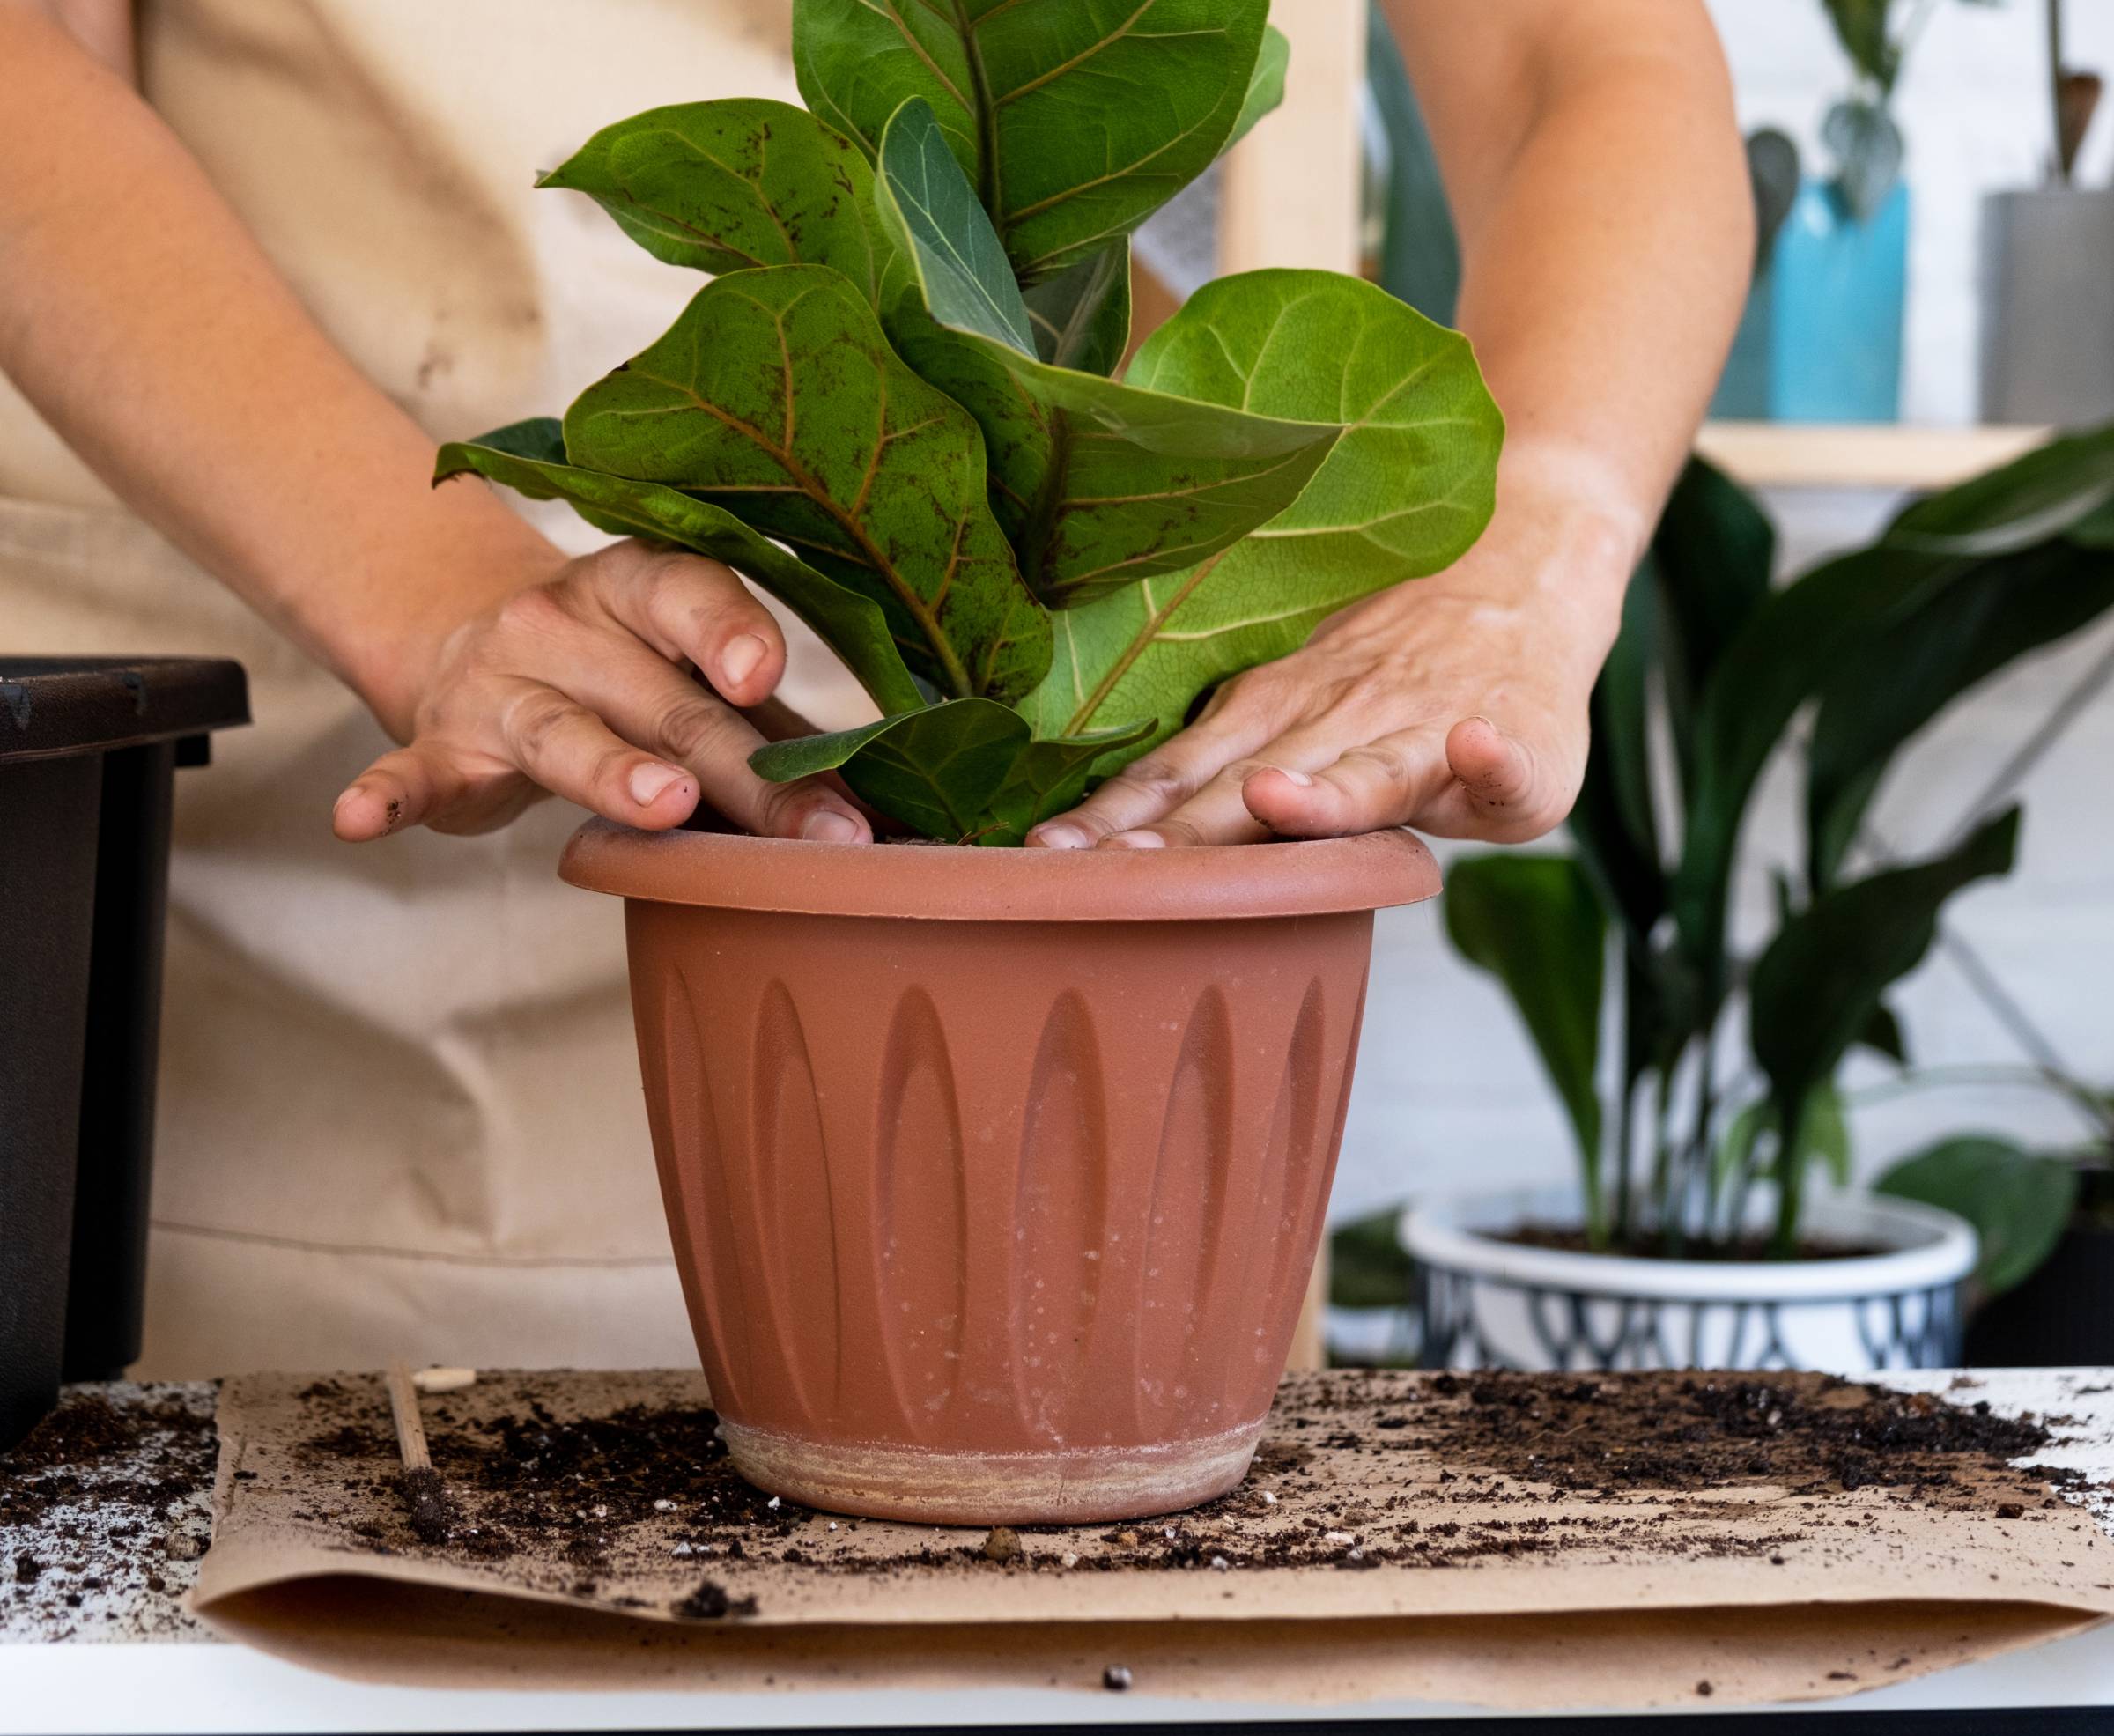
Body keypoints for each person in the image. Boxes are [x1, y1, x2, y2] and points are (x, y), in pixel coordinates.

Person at [0, 0, 1752, 1376]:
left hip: (1080, 961)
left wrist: (1539, 534)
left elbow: (1576, 47)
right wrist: (424, 582)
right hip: (316, 798)